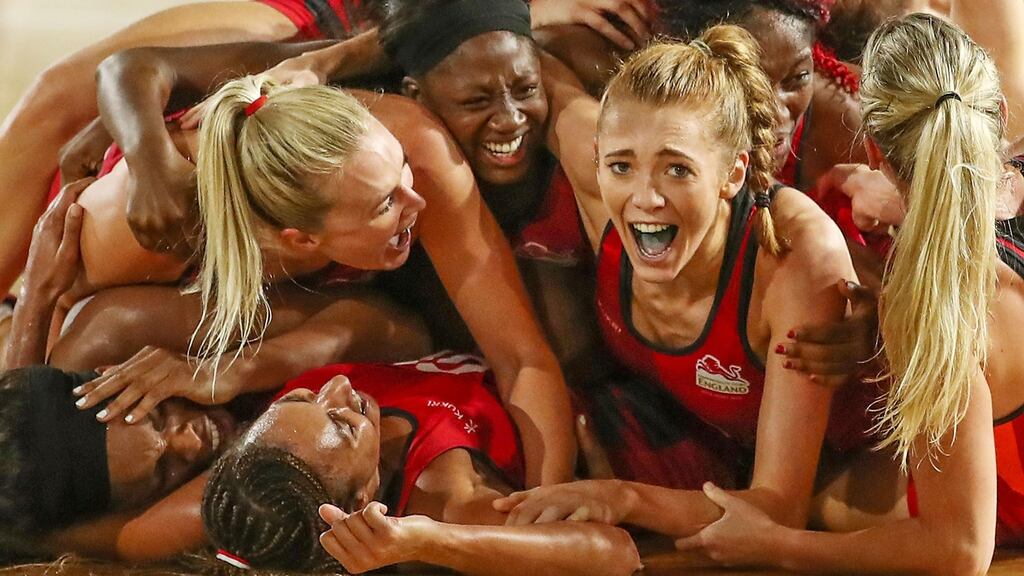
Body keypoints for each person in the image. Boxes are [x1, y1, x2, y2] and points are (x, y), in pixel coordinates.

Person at [66, 47, 573, 486]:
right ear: (301, 240)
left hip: (311, 290)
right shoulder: (154, 224)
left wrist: (549, 498)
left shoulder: (416, 154)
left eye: (399, 169)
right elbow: (58, 333)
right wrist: (38, 301)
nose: (417, 201)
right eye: (384, 205)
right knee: (105, 327)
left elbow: (522, 355)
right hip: (161, 260)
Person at [623, 14, 1020, 574]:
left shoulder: (933, 300)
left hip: (1006, 486)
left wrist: (778, 544)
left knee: (824, 505)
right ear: (997, 115)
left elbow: (959, 553)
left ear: (878, 151)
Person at [494, 24, 873, 539]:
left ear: (733, 174)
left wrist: (619, 498)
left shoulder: (792, 257)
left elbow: (776, 512)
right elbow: (540, 70)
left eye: (677, 170)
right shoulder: (596, 171)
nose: (644, 196)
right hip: (715, 440)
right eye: (622, 166)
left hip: (859, 464)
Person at [0, 0, 652, 298]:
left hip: (444, 34)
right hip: (372, 24)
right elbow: (124, 71)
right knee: (66, 93)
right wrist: (148, 155)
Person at [200, 353, 641, 575]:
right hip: (626, 405)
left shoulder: (255, 487)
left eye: (302, 398)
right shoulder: (449, 503)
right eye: (344, 422)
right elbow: (619, 553)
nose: (336, 386)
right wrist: (430, 543)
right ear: (360, 499)